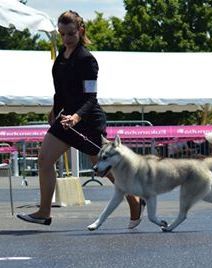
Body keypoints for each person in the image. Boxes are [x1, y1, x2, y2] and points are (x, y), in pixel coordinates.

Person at [17, 10, 145, 229]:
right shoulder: (59, 60)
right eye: (62, 34)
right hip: (65, 120)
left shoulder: (87, 60)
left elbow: (90, 97)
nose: (66, 38)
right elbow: (60, 92)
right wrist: (54, 111)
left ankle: (135, 200)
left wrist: (76, 117)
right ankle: (44, 212)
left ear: (80, 31)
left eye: (70, 33)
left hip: (87, 121)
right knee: (44, 160)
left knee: (103, 168)